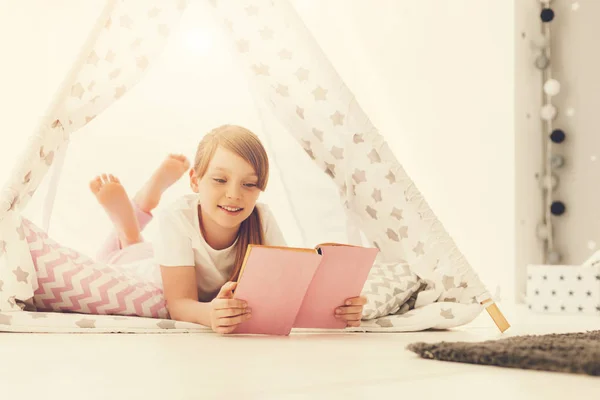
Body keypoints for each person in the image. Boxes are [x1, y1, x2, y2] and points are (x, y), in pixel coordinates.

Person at [90, 124, 367, 334]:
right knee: (127, 253)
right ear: (196, 181)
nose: (234, 195)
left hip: (176, 254)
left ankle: (138, 213)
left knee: (139, 246)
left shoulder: (262, 218)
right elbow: (179, 303)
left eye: (249, 184)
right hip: (152, 265)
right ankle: (132, 222)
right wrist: (209, 315)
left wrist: (338, 309)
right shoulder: (177, 218)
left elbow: (289, 290)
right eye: (220, 179)